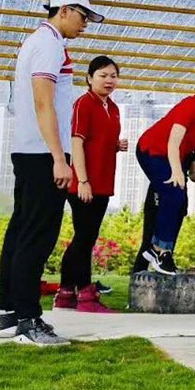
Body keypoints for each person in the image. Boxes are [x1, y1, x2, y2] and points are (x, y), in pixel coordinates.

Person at [0, 0, 103, 346]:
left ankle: (10, 312)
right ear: (65, 10)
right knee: (37, 236)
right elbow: (44, 103)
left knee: (21, 232)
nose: (86, 24)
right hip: (43, 154)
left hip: (30, 151)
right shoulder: (49, 44)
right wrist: (59, 157)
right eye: (83, 16)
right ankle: (28, 319)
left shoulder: (39, 41)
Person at [135, 63, 195, 275]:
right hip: (152, 150)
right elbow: (173, 142)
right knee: (174, 193)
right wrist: (177, 172)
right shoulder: (190, 106)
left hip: (175, 155)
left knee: (178, 201)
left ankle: (159, 250)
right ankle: (159, 250)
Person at [54, 56, 126, 312]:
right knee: (84, 238)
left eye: (113, 76)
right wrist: (82, 180)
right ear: (89, 78)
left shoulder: (113, 108)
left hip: (103, 182)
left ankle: (65, 293)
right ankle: (85, 295)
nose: (109, 80)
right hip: (84, 184)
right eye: (103, 75)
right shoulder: (83, 104)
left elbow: (98, 141)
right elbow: (77, 143)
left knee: (85, 238)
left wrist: (115, 145)